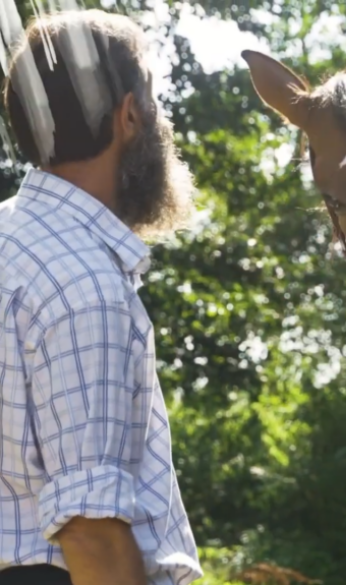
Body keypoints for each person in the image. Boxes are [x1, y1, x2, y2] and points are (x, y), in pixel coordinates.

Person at [0, 9, 201, 585]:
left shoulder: (11, 240)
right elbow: (90, 529)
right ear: (131, 115)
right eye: (153, 102)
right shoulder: (82, 282)